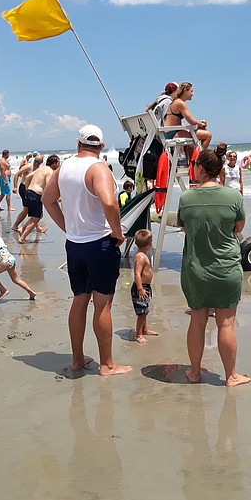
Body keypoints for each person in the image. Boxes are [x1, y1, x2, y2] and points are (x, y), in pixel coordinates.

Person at [42, 125, 131, 376]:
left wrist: (67, 227)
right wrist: (117, 231)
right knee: (102, 305)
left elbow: (47, 200)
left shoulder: (64, 167)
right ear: (102, 147)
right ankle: (107, 364)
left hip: (75, 245)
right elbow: (109, 201)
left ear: (78, 144)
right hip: (100, 244)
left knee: (80, 300)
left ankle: (77, 359)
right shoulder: (99, 168)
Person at [177, 146, 250, 387]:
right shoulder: (233, 197)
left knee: (197, 321)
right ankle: (231, 376)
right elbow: (239, 227)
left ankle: (195, 372)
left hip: (195, 268)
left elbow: (184, 227)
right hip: (226, 268)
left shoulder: (186, 198)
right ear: (220, 170)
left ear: (199, 168)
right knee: (226, 323)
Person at [0, 217, 36, 301]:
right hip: (11, 259)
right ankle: (31, 292)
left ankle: (3, 290)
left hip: (4, 262)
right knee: (16, 279)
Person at [18, 154, 59, 244]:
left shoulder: (41, 168)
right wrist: (56, 197)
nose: (59, 166)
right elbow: (49, 186)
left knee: (36, 216)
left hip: (30, 192)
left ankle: (22, 230)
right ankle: (22, 238)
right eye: (58, 163)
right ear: (54, 163)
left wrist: (28, 190)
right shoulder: (50, 171)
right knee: (36, 218)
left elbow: (28, 177)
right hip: (36, 195)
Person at [162, 81, 212, 150]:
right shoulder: (180, 103)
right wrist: (201, 124)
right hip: (173, 134)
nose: (193, 94)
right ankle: (201, 157)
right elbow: (192, 122)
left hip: (169, 133)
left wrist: (199, 124)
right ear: (185, 91)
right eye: (191, 91)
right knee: (208, 135)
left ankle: (193, 159)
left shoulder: (175, 101)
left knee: (193, 136)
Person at [131, 229, 158, 344]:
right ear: (150, 244)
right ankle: (138, 334)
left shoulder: (141, 255)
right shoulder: (141, 257)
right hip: (141, 287)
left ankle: (145, 329)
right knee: (142, 312)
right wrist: (140, 288)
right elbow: (137, 273)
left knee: (145, 310)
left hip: (145, 286)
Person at [11, 154, 40, 232]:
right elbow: (17, 175)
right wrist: (15, 187)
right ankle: (15, 225)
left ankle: (37, 227)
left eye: (39, 162)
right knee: (27, 209)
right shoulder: (28, 166)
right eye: (36, 161)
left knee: (31, 208)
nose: (36, 163)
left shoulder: (39, 169)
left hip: (31, 190)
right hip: (24, 188)